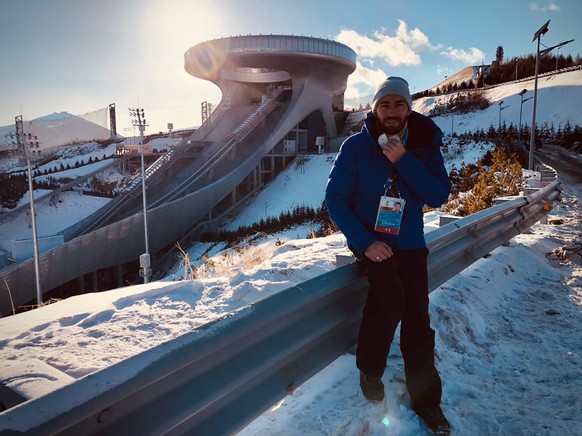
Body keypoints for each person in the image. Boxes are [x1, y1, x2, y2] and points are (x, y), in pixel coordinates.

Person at [325, 77, 452, 433]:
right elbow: (335, 200)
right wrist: (364, 242)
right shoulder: (354, 147)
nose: (392, 112)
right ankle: (370, 368)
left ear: (408, 107)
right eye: (385, 105)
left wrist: (405, 160)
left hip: (409, 241)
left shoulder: (425, 144)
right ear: (374, 108)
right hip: (371, 241)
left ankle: (428, 402)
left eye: (399, 104)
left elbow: (439, 194)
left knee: (417, 320)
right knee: (390, 301)